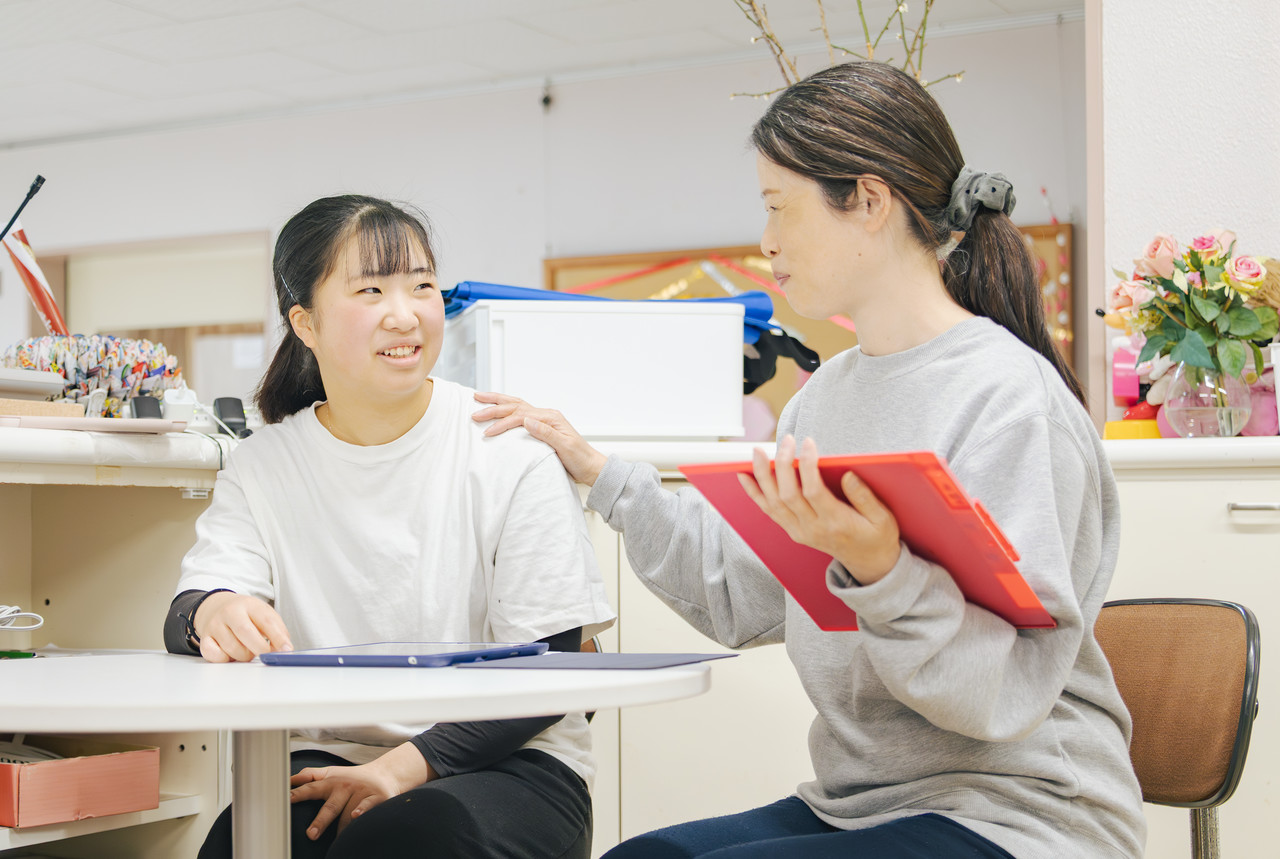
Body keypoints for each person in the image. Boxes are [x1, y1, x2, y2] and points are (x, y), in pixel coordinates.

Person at [474, 62, 1146, 859]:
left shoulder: (1009, 401)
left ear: (868, 200)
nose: (765, 240)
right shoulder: (824, 402)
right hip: (862, 803)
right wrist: (600, 472)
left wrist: (883, 567)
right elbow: (743, 593)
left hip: (1022, 814)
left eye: (777, 206)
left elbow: (999, 693)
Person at [162, 194, 615, 859]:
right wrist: (215, 608)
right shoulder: (265, 462)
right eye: (370, 289)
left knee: (401, 842)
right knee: (234, 846)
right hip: (327, 755)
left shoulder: (508, 449)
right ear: (305, 323)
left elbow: (548, 671)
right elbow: (185, 613)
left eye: (422, 286)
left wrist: (395, 769)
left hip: (507, 762)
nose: (404, 314)